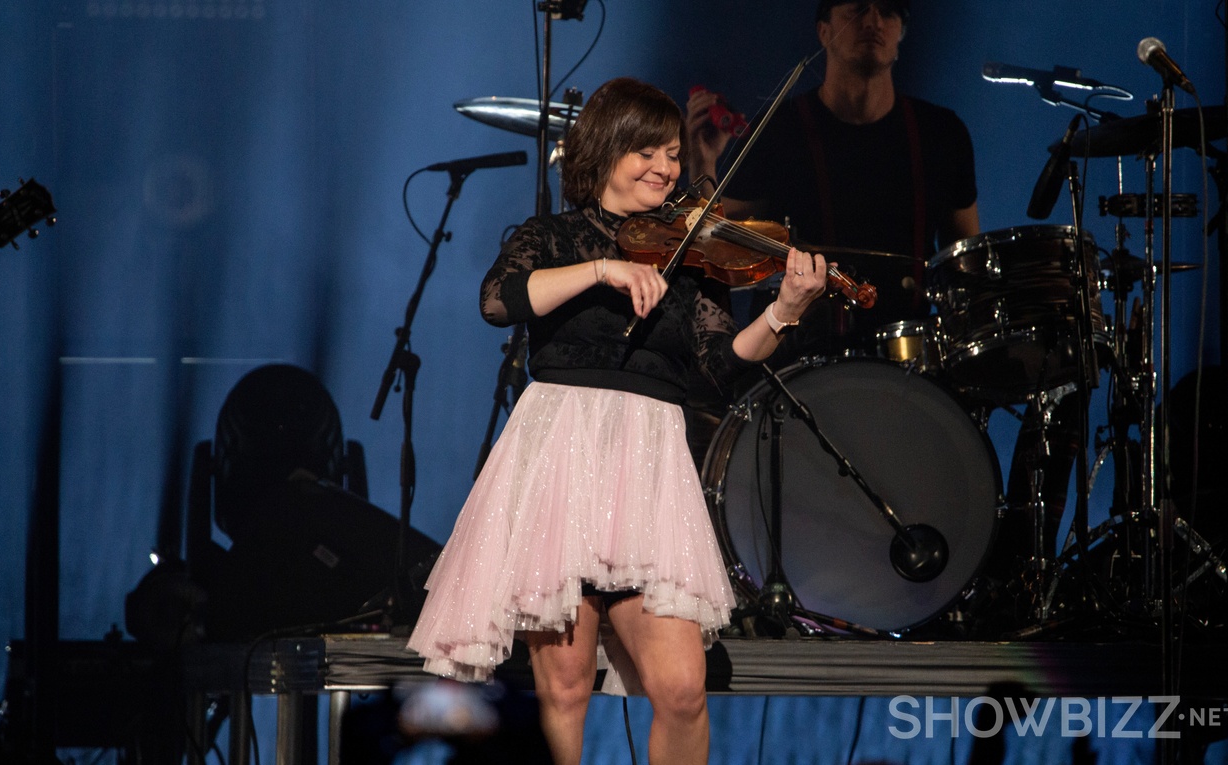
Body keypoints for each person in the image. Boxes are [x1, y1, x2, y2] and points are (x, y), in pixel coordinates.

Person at [406, 77, 827, 765]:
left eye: (671, 153)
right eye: (647, 152)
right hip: (561, 457)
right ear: (604, 149)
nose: (666, 167)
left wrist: (783, 312)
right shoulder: (552, 235)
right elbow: (498, 300)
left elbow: (721, 363)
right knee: (567, 688)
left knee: (683, 688)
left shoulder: (692, 254)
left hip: (649, 471)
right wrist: (601, 269)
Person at [687, 0, 979, 357]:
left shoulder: (942, 133)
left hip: (906, 362)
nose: (873, 20)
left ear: (901, 34)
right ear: (823, 31)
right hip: (798, 357)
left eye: (888, 12)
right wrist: (703, 162)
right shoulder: (779, 128)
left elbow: (966, 260)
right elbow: (712, 237)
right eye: (857, 8)